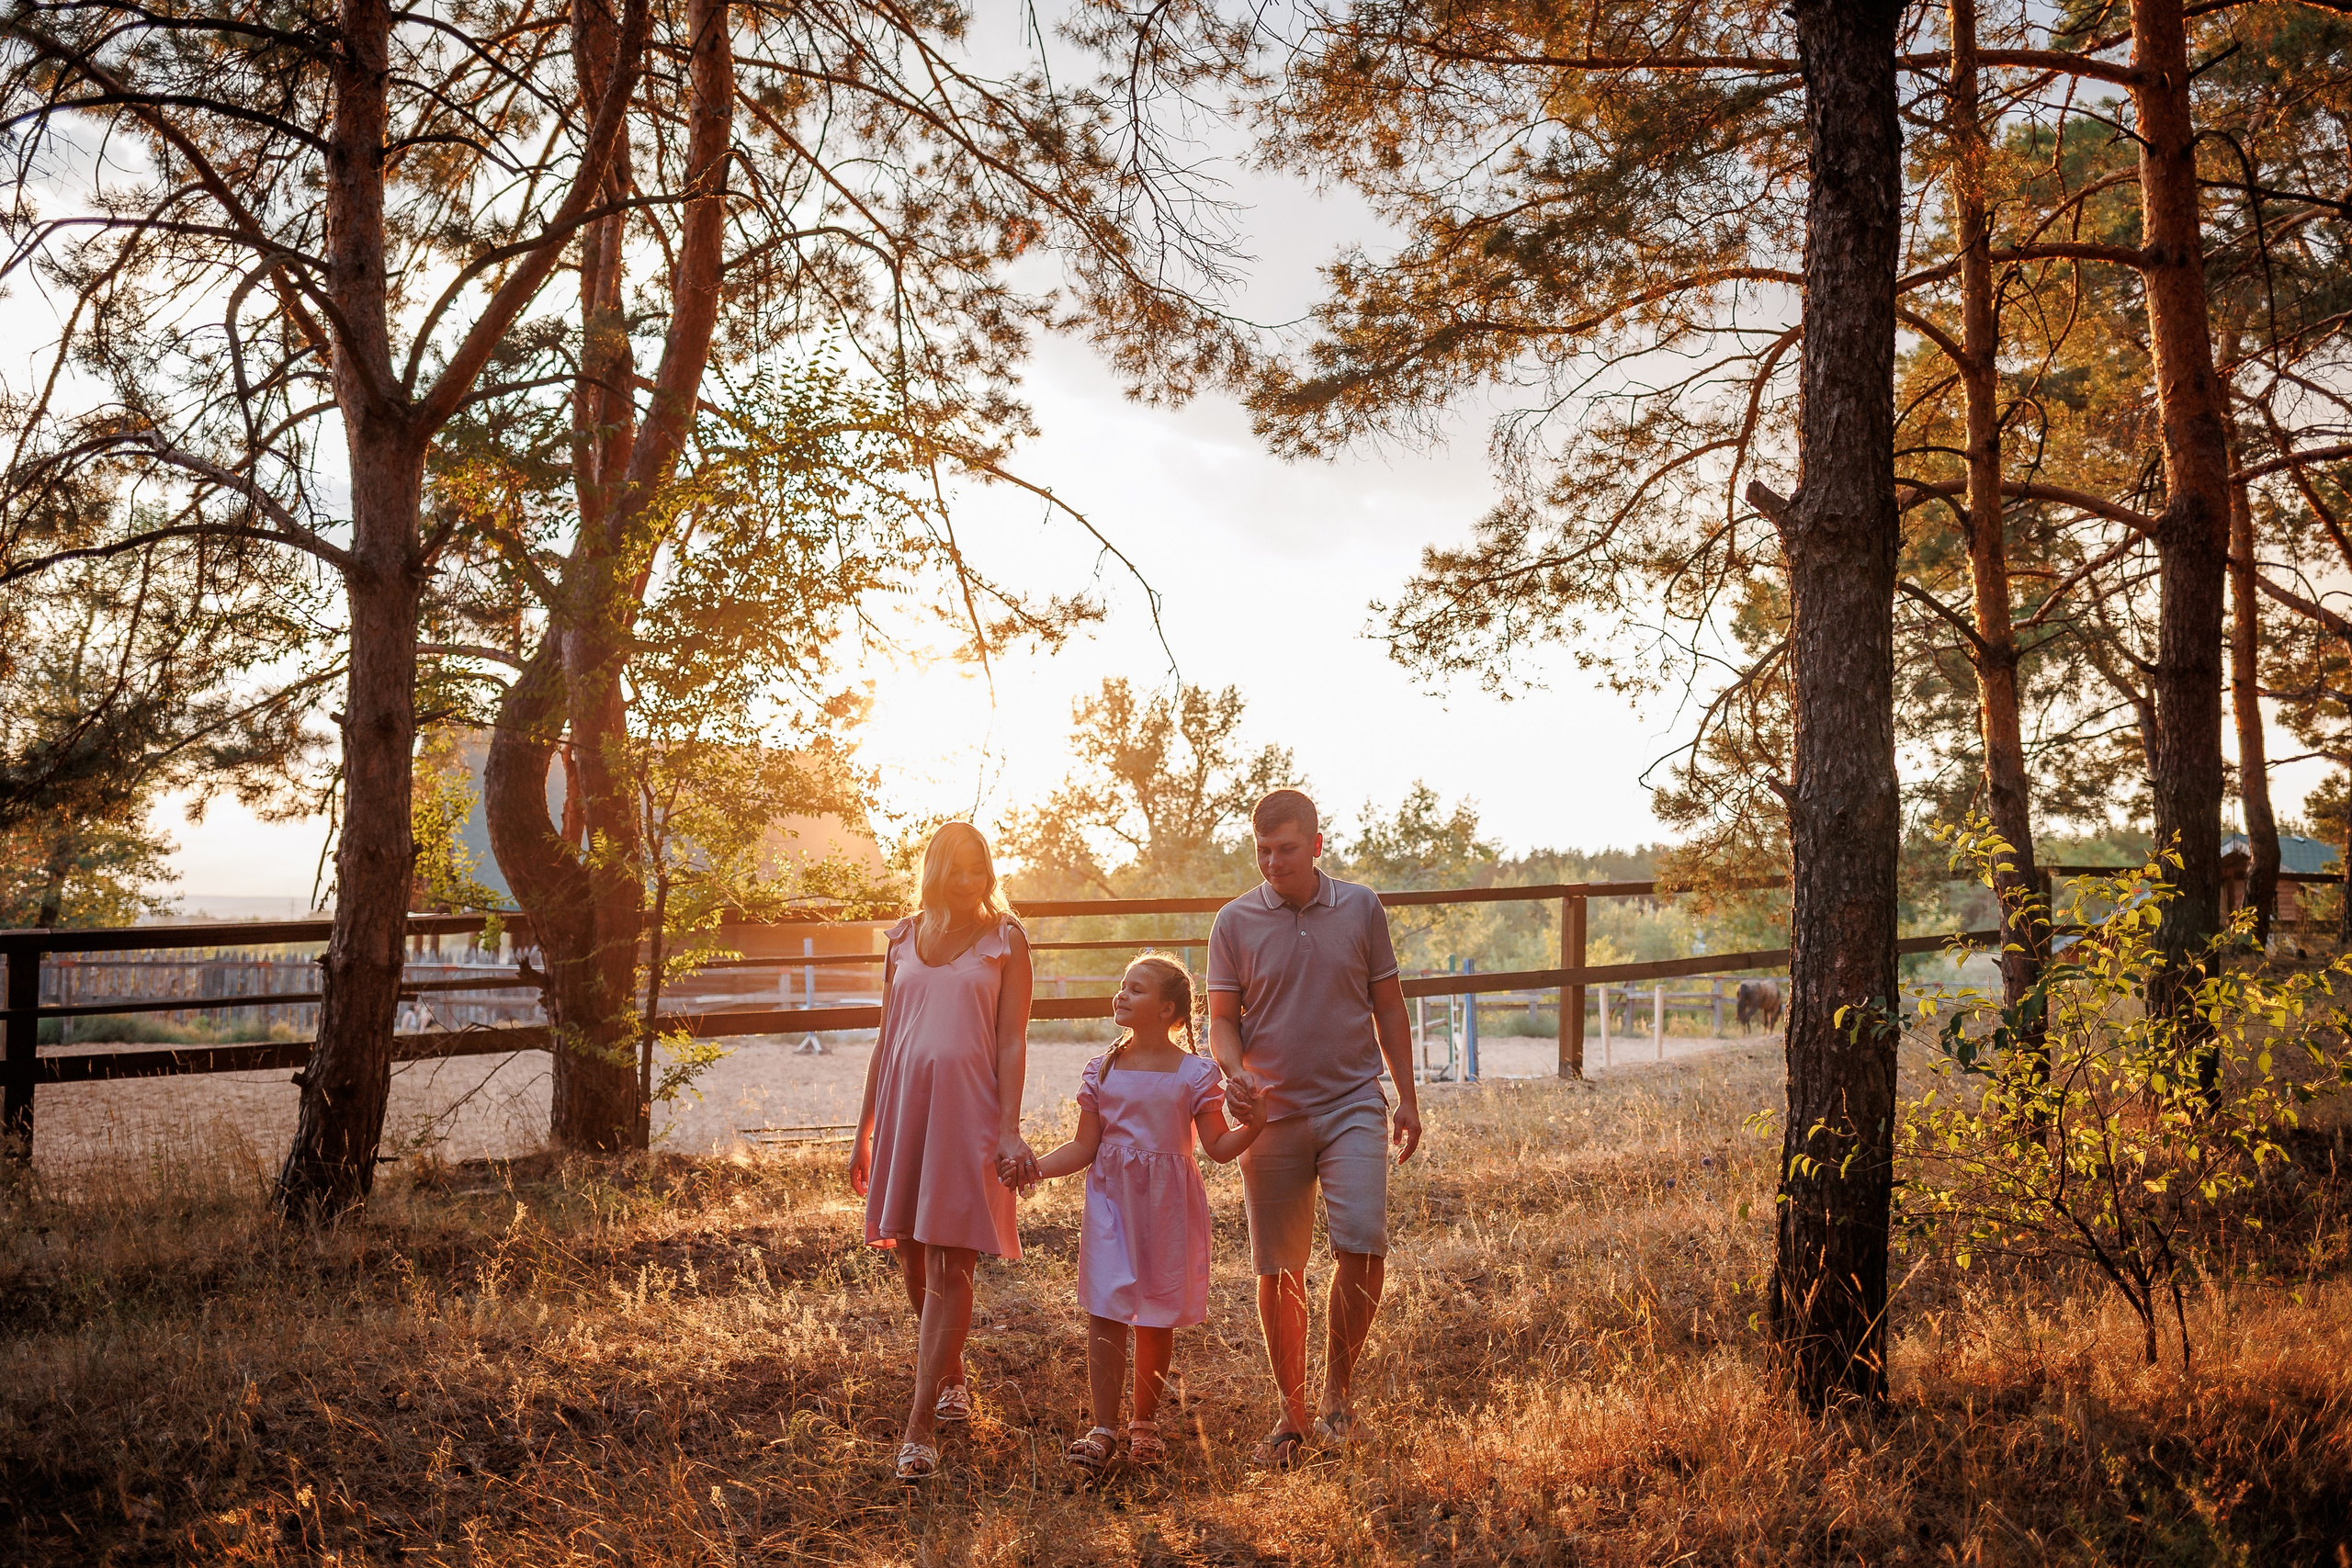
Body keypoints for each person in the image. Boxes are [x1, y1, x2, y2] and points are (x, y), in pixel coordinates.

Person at [1208, 788, 1420, 1470]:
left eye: (1287, 849)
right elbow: (1219, 1021)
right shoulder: (1233, 922)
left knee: (1362, 1244)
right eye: (1263, 851)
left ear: (1317, 845)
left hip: (1353, 1101)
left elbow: (1389, 1009)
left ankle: (1337, 1397)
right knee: (1280, 1268)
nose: (1274, 862)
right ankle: (1291, 1410)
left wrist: (1407, 1099)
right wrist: (1235, 1071)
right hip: (1270, 1114)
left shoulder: (1360, 907)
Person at [1010, 953, 1263, 1471]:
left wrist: (1256, 1125)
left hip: (1168, 1205)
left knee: (1156, 1310)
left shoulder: (1196, 1073)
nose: (1121, 994)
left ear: (1168, 1009)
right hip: (1111, 1203)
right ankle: (1104, 1426)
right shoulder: (1102, 1068)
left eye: (1136, 989)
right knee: (1105, 1307)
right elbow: (1083, 1146)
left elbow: (1215, 1146)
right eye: (1122, 985)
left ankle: (1143, 1423)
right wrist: (1036, 1166)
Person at [848, 821, 1039, 1482]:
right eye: (955, 868)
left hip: (969, 1114)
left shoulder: (1005, 939)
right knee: (911, 1254)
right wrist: (864, 1127)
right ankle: (952, 1374)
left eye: (978, 869)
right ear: (934, 870)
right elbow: (885, 1036)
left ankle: (920, 1422)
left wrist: (1009, 1127)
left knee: (952, 1258)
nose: (968, 881)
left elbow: (1012, 1041)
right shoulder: (902, 936)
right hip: (906, 1109)